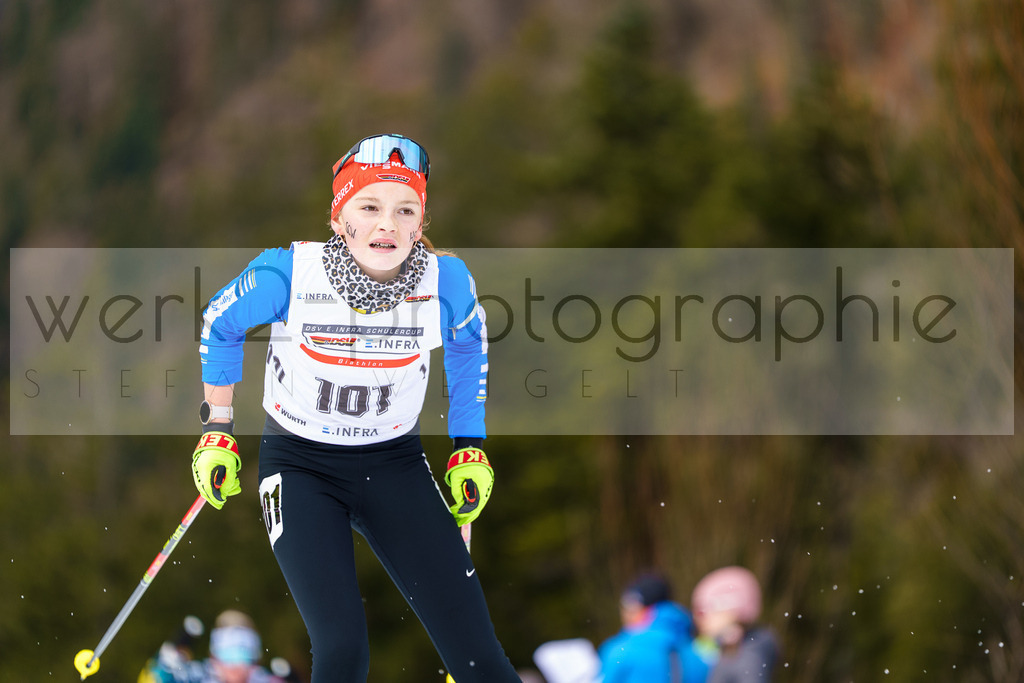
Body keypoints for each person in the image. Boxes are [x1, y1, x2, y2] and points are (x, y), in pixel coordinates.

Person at [190, 133, 519, 682]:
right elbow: (219, 323)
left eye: (404, 210)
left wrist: (469, 447)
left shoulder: (446, 283)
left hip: (394, 464)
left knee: (479, 658)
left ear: (420, 223)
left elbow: (468, 346)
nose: (387, 224)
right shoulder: (288, 274)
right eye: (369, 207)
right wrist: (217, 430)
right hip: (300, 467)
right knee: (343, 652)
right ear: (339, 219)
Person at [598, 573, 711, 683]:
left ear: (638, 607)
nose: (624, 614)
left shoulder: (620, 651)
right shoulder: (699, 654)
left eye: (626, 606)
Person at [139, 610, 287, 683]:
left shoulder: (264, 680)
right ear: (214, 655)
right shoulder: (197, 676)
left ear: (255, 659)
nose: (235, 666)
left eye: (243, 656)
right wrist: (165, 664)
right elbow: (152, 678)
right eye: (227, 655)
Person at [691, 566, 779, 683]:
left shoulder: (747, 658)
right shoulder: (728, 652)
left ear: (729, 610)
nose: (697, 619)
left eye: (702, 612)